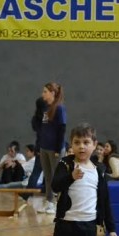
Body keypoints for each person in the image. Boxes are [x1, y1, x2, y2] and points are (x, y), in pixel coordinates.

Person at [51, 123, 118, 236]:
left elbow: (105, 201)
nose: (81, 147)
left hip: (88, 228)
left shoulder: (99, 170)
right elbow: (55, 185)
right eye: (77, 142)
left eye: (86, 142)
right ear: (72, 145)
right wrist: (71, 177)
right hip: (66, 227)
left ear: (94, 145)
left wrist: (112, 228)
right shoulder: (65, 164)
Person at [37, 82, 67, 215]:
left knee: (57, 177)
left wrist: (57, 149)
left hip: (55, 149)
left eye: (45, 91)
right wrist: (39, 145)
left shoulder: (59, 108)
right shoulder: (45, 108)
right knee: (48, 177)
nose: (42, 94)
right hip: (44, 147)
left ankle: (59, 204)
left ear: (52, 93)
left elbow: (62, 129)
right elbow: (42, 129)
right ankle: (49, 202)